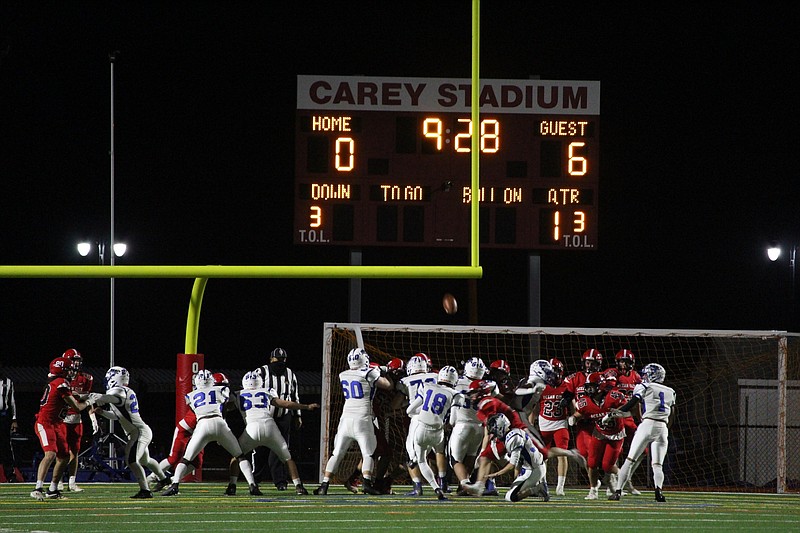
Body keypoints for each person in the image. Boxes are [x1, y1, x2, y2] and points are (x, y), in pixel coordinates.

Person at [162, 369, 260, 496]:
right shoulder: (222, 390)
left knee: (186, 459)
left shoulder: (190, 395)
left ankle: (174, 485)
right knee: (240, 456)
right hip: (219, 423)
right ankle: (252, 485)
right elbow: (227, 403)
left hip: (202, 425)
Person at [314, 348, 393, 496]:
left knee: (336, 454)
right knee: (368, 453)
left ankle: (324, 485)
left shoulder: (343, 374)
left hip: (345, 419)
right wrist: (385, 372)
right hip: (362, 418)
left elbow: (362, 372)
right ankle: (367, 484)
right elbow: (388, 385)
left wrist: (376, 369)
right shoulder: (369, 373)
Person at [228, 370, 319, 495]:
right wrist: (305, 407)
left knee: (237, 456)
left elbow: (227, 407)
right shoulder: (267, 391)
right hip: (270, 427)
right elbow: (285, 404)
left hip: (252, 429)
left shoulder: (238, 394)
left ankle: (236, 485)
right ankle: (299, 486)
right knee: (288, 458)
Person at [89, 366, 171, 498]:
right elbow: (117, 416)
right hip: (140, 430)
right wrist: (102, 412)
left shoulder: (119, 391)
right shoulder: (127, 391)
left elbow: (115, 397)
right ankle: (164, 479)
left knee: (132, 460)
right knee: (146, 460)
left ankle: (145, 490)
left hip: (138, 432)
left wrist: (95, 397)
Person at [608, 363, 676, 503]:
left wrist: (615, 412)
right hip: (663, 427)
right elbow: (673, 414)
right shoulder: (671, 391)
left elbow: (632, 403)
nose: (643, 377)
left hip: (648, 423)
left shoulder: (644, 386)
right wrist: (665, 428)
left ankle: (618, 491)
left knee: (630, 459)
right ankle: (659, 491)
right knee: (657, 464)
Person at [30, 357, 93, 500]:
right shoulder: (61, 383)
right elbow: (76, 407)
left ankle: (52, 490)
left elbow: (70, 395)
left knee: (64, 456)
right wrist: (90, 400)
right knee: (50, 454)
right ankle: (37, 488)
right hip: (45, 422)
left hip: (57, 423)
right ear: (62, 370)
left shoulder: (58, 383)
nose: (72, 371)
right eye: (69, 369)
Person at [405, 365, 464, 500]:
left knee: (421, 460)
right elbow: (453, 421)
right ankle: (443, 481)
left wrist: (424, 413)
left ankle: (436, 488)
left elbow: (409, 411)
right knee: (440, 452)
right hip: (438, 433)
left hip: (421, 429)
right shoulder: (456, 394)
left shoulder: (426, 387)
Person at [390, 352, 439, 496]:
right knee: (439, 453)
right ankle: (443, 483)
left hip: (418, 420)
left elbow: (395, 404)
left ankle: (417, 487)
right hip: (437, 419)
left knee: (412, 456)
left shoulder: (405, 381)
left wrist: (407, 401)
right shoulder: (436, 377)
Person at [572, 371, 627, 500]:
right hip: (599, 433)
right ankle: (593, 490)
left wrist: (616, 413)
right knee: (592, 463)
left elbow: (628, 408)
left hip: (616, 434)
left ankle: (622, 479)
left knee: (607, 465)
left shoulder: (613, 396)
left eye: (591, 386)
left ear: (600, 386)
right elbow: (579, 413)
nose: (588, 389)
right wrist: (573, 418)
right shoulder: (585, 402)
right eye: (587, 386)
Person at [253, 347, 302, 490]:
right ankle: (255, 479)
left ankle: (280, 482)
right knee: (260, 449)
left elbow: (294, 395)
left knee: (280, 450)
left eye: (282, 360)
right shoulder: (261, 372)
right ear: (271, 359)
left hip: (282, 417)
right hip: (264, 417)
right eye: (277, 359)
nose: (280, 362)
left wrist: (297, 415)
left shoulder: (290, 373)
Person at [485, 413, 549, 502]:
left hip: (535, 470)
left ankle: (537, 489)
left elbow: (512, 465)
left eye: (494, 430)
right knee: (510, 494)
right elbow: (518, 462)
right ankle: (537, 487)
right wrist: (517, 477)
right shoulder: (513, 433)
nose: (494, 434)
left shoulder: (513, 439)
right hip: (528, 468)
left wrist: (494, 475)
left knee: (510, 497)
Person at [59, 348, 99, 492]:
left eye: (78, 361)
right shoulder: (60, 380)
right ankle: (58, 480)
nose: (76, 364)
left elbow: (88, 401)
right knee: (61, 452)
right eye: (73, 360)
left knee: (74, 451)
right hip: (62, 419)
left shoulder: (86, 379)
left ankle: (71, 481)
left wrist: (92, 417)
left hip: (76, 418)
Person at [607, 349, 644, 495]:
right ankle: (613, 484)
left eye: (626, 361)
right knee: (615, 451)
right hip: (616, 415)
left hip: (629, 416)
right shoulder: (613, 374)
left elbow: (639, 400)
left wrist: (640, 418)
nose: (624, 364)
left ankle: (626, 478)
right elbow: (608, 393)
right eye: (621, 361)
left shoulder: (636, 376)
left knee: (643, 449)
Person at [448, 357, 486, 494]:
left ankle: (465, 484)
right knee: (470, 456)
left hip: (462, 425)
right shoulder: (486, 385)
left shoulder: (457, 382)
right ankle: (464, 484)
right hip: (479, 426)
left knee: (455, 460)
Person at [537, 357, 571, 495]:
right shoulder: (541, 386)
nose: (554, 374)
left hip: (560, 423)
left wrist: (573, 416)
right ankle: (542, 483)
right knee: (541, 456)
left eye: (556, 371)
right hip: (544, 423)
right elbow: (535, 407)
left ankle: (560, 487)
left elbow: (572, 404)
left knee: (562, 454)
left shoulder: (567, 386)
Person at [0, 361, 19, 483]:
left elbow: (12, 402)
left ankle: (10, 474)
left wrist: (14, 419)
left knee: (6, 446)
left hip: (2, 416)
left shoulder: (7, 382)